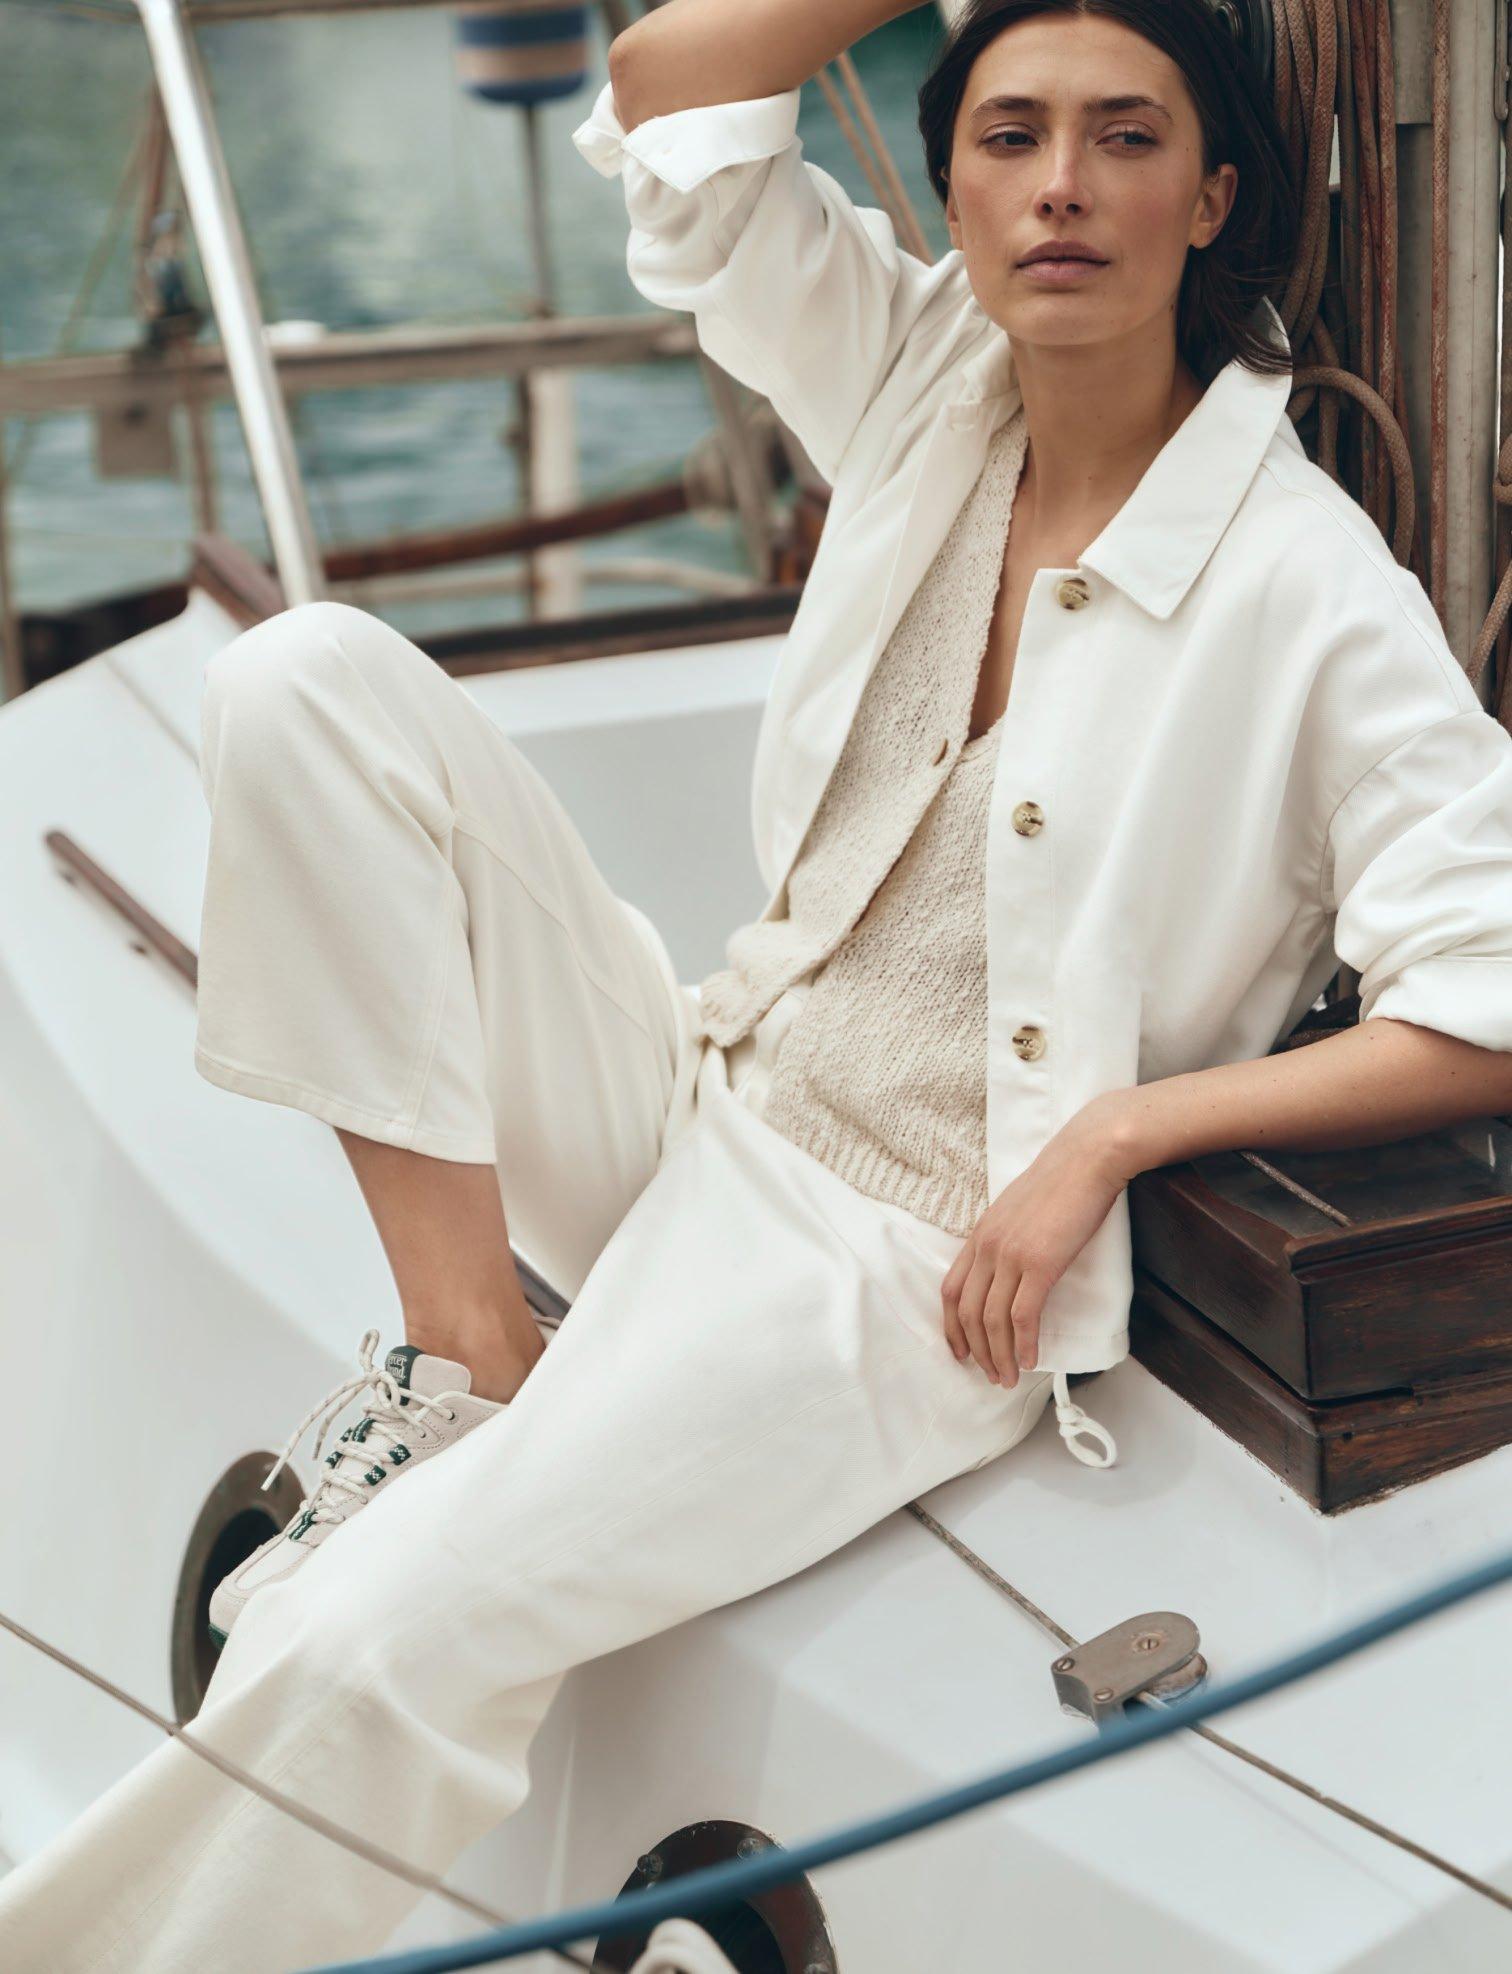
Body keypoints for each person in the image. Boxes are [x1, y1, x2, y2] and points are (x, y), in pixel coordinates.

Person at [7, 0, 1512, 1966]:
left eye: (1127, 139)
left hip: (892, 1274)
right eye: (1010, 137)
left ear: (1214, 197)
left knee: (374, 1640)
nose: (1062, 187)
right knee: (302, 685)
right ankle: (471, 1354)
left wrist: (1118, 1133)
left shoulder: (1307, 588)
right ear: (952, 183)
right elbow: (678, 91)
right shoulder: (926, 373)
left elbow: (1487, 987)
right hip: (710, 1081)